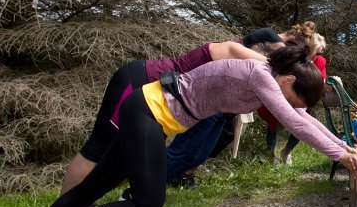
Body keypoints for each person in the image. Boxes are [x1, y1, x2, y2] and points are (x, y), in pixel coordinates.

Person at [5, 45, 357, 207]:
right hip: (149, 111)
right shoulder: (262, 78)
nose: (292, 104)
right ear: (287, 80)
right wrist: (340, 154)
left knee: (94, 186)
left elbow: (302, 116)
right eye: (293, 96)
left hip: (147, 111)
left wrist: (343, 146)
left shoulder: (270, 75)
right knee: (147, 204)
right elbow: (295, 121)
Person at [58, 36, 272, 195]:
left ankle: (84, 200)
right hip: (140, 82)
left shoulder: (251, 72)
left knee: (130, 161)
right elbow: (270, 67)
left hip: (157, 104)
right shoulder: (237, 52)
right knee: (96, 150)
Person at [163, 28, 286, 186]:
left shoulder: (257, 63)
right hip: (205, 107)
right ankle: (148, 184)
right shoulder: (240, 55)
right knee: (183, 149)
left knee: (200, 153)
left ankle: (173, 177)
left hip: (221, 113)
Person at [268, 33, 329, 165]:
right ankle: (271, 155)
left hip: (303, 98)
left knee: (302, 124)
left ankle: (287, 151)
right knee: (272, 124)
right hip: (285, 93)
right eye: (319, 48)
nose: (320, 52)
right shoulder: (297, 57)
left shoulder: (320, 61)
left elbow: (321, 79)